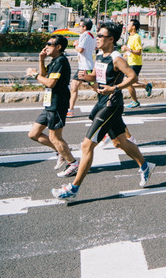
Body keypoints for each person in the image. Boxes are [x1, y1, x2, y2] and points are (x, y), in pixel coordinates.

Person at [52, 21, 155, 200]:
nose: (97, 38)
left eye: (100, 36)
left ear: (111, 39)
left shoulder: (117, 58)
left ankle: (73, 189)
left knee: (86, 145)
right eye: (98, 35)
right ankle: (146, 166)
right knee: (120, 142)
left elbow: (133, 77)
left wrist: (114, 88)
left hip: (111, 105)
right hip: (102, 102)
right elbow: (100, 77)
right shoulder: (100, 55)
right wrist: (87, 77)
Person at [26, 34, 78, 178]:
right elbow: (45, 77)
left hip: (58, 103)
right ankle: (61, 151)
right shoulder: (55, 61)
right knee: (33, 134)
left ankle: (73, 163)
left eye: (49, 44)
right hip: (49, 103)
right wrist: (41, 60)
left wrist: (33, 75)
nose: (46, 46)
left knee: (55, 137)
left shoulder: (61, 61)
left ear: (58, 47)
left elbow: (50, 83)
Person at [68, 19, 96, 117]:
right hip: (85, 66)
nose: (79, 27)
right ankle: (70, 110)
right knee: (74, 86)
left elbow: (80, 49)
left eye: (80, 26)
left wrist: (75, 44)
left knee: (96, 88)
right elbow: (95, 47)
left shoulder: (85, 35)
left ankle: (110, 101)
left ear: (84, 27)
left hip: (86, 67)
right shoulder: (92, 35)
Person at [122, 20, 147, 109]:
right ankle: (146, 86)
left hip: (135, 63)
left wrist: (128, 50)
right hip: (130, 62)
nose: (127, 26)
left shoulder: (136, 37)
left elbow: (139, 52)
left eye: (129, 24)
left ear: (133, 27)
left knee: (127, 82)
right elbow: (129, 51)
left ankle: (135, 101)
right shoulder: (130, 37)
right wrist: (124, 55)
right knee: (130, 82)